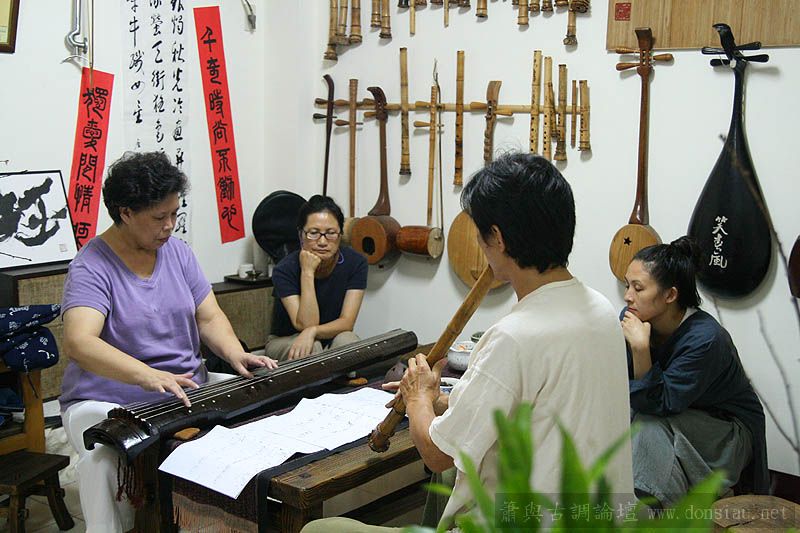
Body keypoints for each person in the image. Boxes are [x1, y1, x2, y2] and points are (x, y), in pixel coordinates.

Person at [301, 153, 633, 532]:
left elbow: (437, 454)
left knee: (319, 530)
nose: (479, 244)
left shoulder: (514, 337)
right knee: (449, 484)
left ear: (498, 239)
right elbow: (528, 407)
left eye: (479, 234)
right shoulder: (601, 309)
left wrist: (417, 399)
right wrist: (438, 399)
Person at [58, 151, 278, 533]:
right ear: (126, 213)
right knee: (102, 460)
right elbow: (80, 342)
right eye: (160, 217)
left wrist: (236, 353)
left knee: (256, 410)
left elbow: (209, 317)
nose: (170, 226)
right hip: (106, 401)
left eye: (175, 214)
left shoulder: (177, 253)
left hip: (183, 388)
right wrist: (147, 376)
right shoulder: (92, 266)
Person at [621, 236, 768, 508]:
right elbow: (625, 387)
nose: (628, 296)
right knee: (620, 415)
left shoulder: (706, 339)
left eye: (638, 288)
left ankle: (654, 511)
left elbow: (658, 405)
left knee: (648, 425)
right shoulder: (635, 319)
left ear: (670, 295)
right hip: (675, 416)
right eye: (627, 285)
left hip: (725, 432)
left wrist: (641, 350)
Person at [265, 194, 368, 361]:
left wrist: (313, 331)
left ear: (340, 235)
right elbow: (305, 324)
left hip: (331, 335)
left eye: (331, 233)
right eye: (313, 233)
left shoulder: (356, 263)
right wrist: (307, 272)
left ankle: (339, 378)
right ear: (301, 235)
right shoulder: (284, 269)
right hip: (286, 339)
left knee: (348, 340)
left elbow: (347, 322)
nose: (322, 242)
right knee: (312, 347)